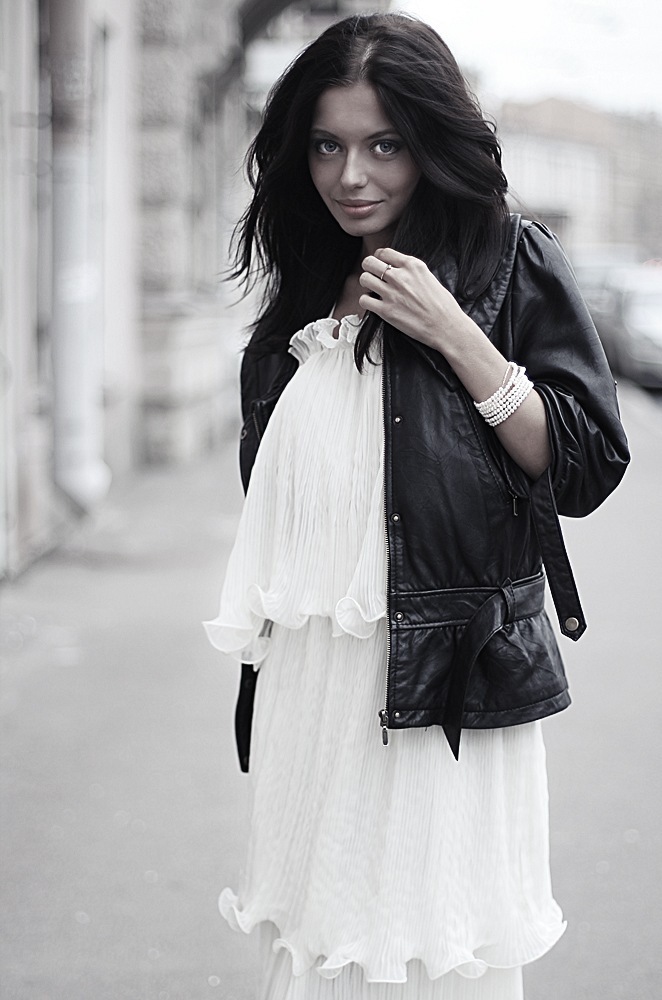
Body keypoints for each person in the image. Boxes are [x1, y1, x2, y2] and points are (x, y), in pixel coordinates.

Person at [203, 12, 630, 1000]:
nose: (350, 175)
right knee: (322, 944)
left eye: (383, 145)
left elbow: (585, 464)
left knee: (429, 950)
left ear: (431, 143)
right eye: (326, 146)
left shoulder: (506, 260)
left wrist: (456, 334)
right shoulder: (304, 292)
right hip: (313, 685)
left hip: (443, 686)